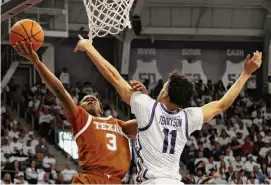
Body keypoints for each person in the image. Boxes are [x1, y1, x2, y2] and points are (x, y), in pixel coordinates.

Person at [74, 38, 262, 184]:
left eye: (163, 86)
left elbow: (115, 77)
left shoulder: (148, 107)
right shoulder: (188, 117)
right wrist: (246, 73)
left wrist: (89, 48)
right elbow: (222, 104)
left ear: (164, 93)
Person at [13, 41, 139, 184]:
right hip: (90, 179)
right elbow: (60, 91)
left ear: (101, 109)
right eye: (85, 100)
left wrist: (144, 98)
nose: (90, 98)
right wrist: (36, 61)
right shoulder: (81, 119)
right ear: (80, 108)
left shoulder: (120, 125)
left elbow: (149, 121)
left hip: (116, 181)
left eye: (93, 99)